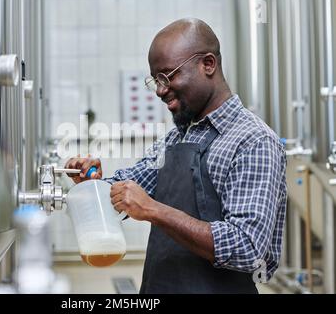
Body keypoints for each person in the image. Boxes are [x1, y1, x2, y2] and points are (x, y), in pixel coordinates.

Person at [65, 18, 287, 294]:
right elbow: (130, 188)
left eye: (168, 76)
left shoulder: (253, 140)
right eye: (155, 80)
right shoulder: (177, 137)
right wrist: (95, 183)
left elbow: (247, 248)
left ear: (208, 64)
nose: (160, 90)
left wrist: (155, 211)